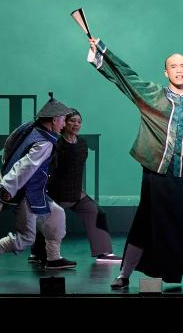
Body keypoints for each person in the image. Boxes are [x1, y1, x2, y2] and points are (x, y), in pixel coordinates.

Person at [86, 35, 183, 289]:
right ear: (166, 72)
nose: (179, 70)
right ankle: (124, 274)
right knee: (144, 224)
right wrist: (102, 50)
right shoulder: (153, 95)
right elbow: (126, 76)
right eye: (173, 66)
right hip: (157, 175)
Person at [0, 95, 77, 275]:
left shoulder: (30, 128)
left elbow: (9, 145)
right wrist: (8, 187)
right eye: (62, 120)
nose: (64, 124)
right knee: (26, 237)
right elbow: (26, 166)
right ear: (54, 120)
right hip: (27, 194)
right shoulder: (44, 142)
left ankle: (54, 258)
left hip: (35, 191)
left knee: (57, 215)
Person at [29, 109, 120, 265]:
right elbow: (51, 169)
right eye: (72, 121)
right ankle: (37, 253)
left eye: (79, 121)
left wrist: (78, 190)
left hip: (77, 193)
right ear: (64, 123)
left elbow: (77, 170)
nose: (76, 124)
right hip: (58, 193)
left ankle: (104, 252)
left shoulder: (82, 144)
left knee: (97, 212)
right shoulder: (56, 144)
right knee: (50, 220)